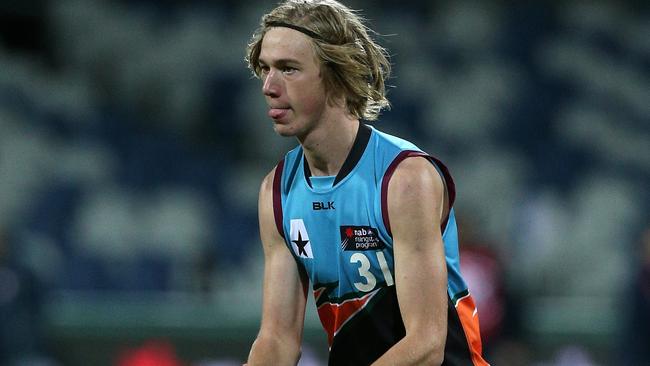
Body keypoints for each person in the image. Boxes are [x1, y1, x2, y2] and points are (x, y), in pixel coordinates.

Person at [244, 1, 489, 365]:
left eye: (288, 69)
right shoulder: (276, 192)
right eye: (265, 69)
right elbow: (277, 338)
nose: (268, 86)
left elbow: (426, 345)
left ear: (336, 74)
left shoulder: (404, 179)